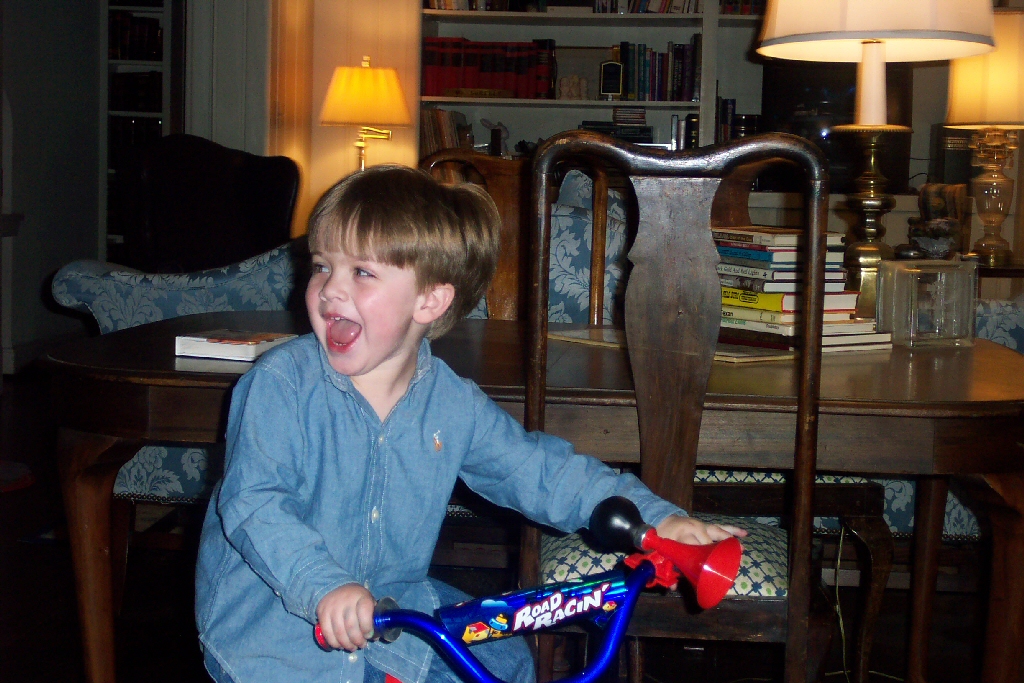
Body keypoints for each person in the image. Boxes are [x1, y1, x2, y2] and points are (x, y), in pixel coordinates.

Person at [195, 165, 745, 683]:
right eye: (322, 266)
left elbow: (542, 472)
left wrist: (660, 520)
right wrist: (325, 588)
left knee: (508, 662)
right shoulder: (281, 384)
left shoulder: (452, 404)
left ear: (430, 301)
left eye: (361, 272)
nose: (330, 289)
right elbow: (256, 504)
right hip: (275, 634)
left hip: (391, 608)